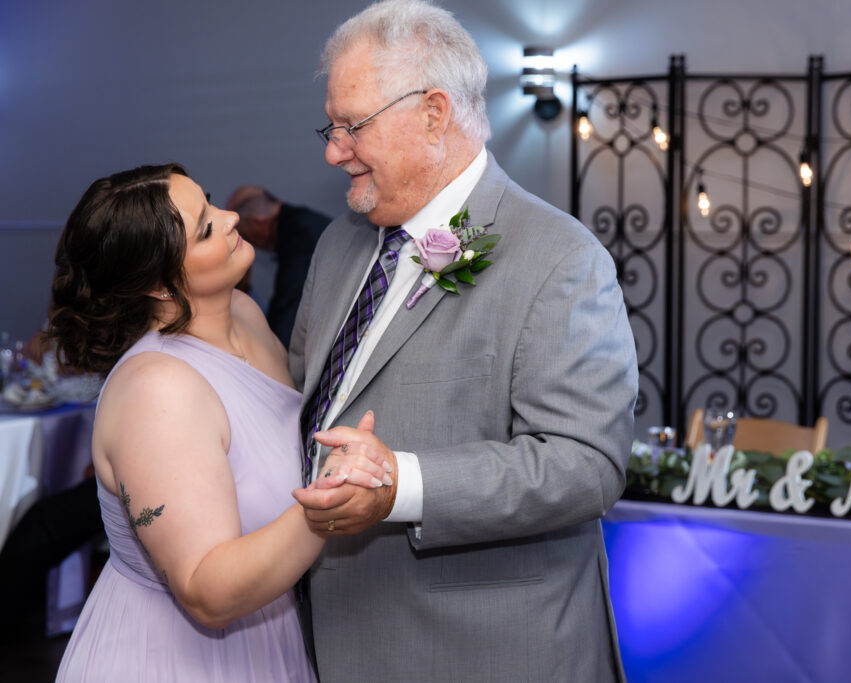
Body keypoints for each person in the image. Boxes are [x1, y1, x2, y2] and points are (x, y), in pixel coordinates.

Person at [289, 1, 639, 680]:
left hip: (481, 651)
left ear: (433, 113)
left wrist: (403, 484)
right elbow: (303, 398)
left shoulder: (561, 258)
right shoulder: (338, 245)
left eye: (351, 125)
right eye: (329, 127)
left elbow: (585, 463)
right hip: (331, 637)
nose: (333, 150)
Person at [48, 164, 391, 681]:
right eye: (206, 226)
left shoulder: (245, 314)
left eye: (209, 204)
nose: (233, 217)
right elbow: (206, 590)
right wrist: (329, 504)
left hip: (269, 631)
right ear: (161, 286)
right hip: (174, 658)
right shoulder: (157, 390)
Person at [225, 186, 330, 347]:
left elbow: (289, 309)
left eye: (244, 236)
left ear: (256, 221)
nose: (254, 246)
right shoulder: (306, 221)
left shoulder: (301, 239)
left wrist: (271, 352)